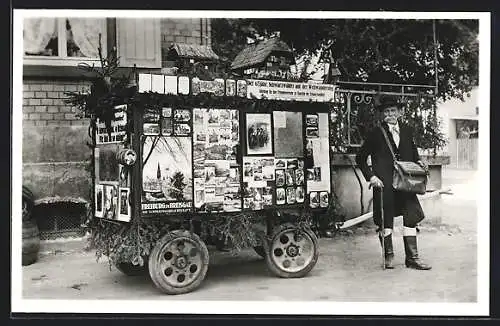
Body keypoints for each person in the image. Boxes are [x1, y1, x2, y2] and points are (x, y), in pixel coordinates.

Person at [356, 95, 431, 270]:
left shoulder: (407, 130)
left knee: (411, 217)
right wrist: (371, 177)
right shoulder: (376, 133)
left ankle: (412, 258)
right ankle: (388, 256)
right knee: (385, 219)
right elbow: (360, 158)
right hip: (384, 184)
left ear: (400, 112)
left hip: (406, 182)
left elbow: (412, 152)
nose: (390, 114)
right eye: (386, 111)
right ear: (382, 114)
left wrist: (419, 162)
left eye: (393, 110)